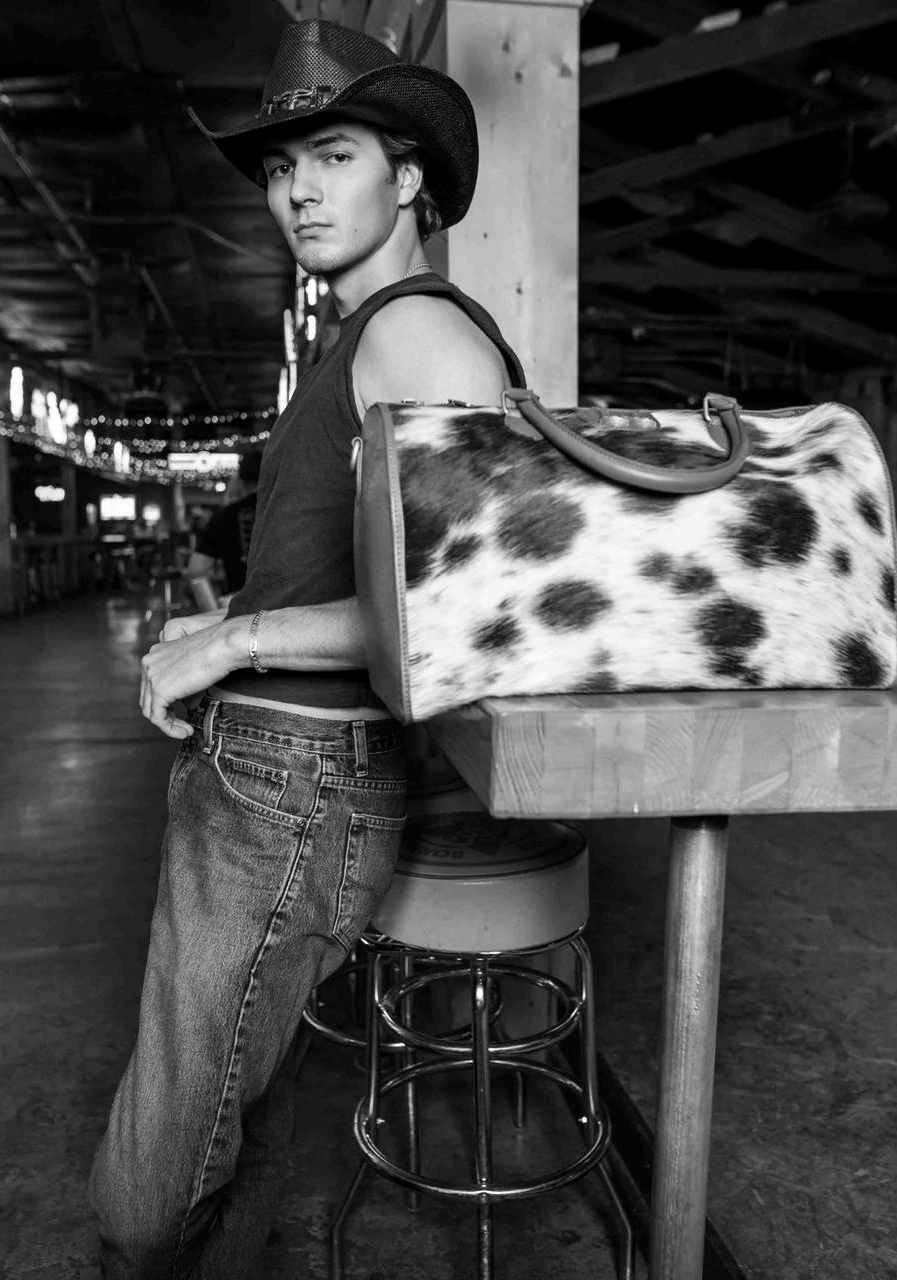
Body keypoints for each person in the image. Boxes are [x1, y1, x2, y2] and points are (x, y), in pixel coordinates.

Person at [88, 18, 525, 1280]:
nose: (297, 192)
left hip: (297, 779)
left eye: (333, 157)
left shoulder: (414, 330)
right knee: (214, 1113)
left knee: (150, 1181)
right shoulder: (364, 333)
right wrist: (230, 621)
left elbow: (463, 598)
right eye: (283, 168)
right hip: (276, 765)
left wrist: (244, 638)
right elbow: (357, 568)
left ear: (409, 176)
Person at [185, 450, 262, 609]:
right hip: (289, 610)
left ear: (240, 479)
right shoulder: (285, 511)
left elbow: (196, 570)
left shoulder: (225, 515)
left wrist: (212, 610)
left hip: (241, 608)